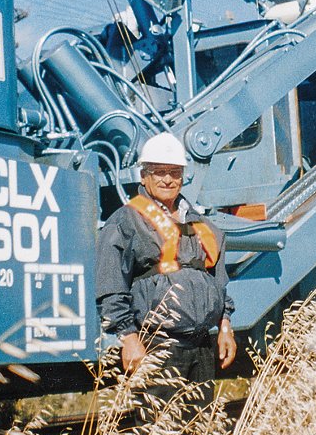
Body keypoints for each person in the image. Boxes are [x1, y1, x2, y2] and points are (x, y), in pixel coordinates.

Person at [95, 132, 237, 420]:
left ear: (183, 177)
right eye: (159, 172)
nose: (167, 180)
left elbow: (219, 280)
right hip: (157, 346)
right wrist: (129, 339)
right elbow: (110, 285)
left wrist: (225, 326)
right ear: (144, 176)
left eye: (174, 173)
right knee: (157, 434)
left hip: (201, 346)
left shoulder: (200, 223)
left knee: (198, 430)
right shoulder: (126, 220)